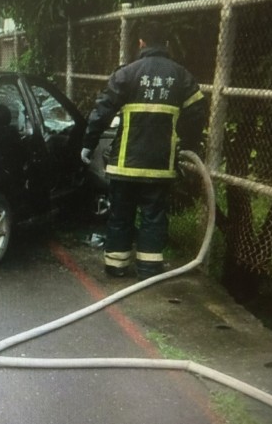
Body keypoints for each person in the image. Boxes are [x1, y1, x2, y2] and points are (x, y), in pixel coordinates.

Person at [80, 21, 207, 280]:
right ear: (168, 44)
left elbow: (101, 112)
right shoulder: (181, 76)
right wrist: (188, 144)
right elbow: (197, 113)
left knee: (120, 214)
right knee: (153, 215)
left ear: (141, 43)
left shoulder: (126, 74)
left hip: (124, 164)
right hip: (159, 164)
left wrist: (88, 144)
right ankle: (149, 269)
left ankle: (116, 266)